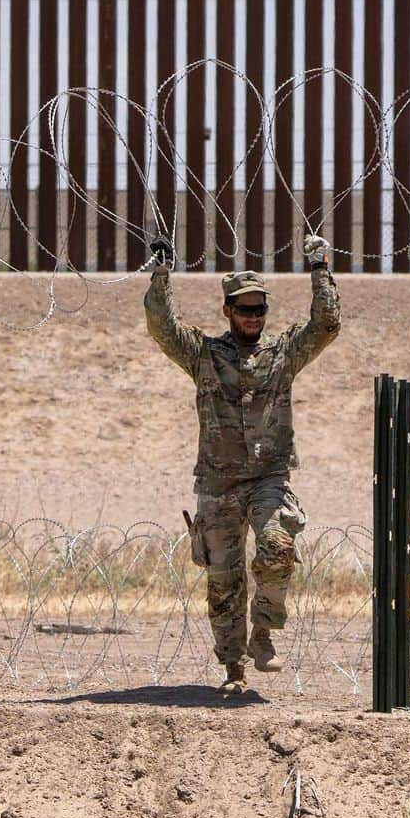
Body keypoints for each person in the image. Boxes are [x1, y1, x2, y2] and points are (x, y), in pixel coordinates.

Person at [144, 235, 341, 692]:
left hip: (268, 475)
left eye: (259, 310)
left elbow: (326, 326)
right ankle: (233, 669)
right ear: (227, 311)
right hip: (218, 481)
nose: (253, 317)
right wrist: (161, 276)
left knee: (277, 547)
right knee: (223, 580)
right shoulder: (204, 354)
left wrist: (319, 268)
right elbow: (163, 328)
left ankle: (264, 634)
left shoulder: (283, 353)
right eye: (244, 309)